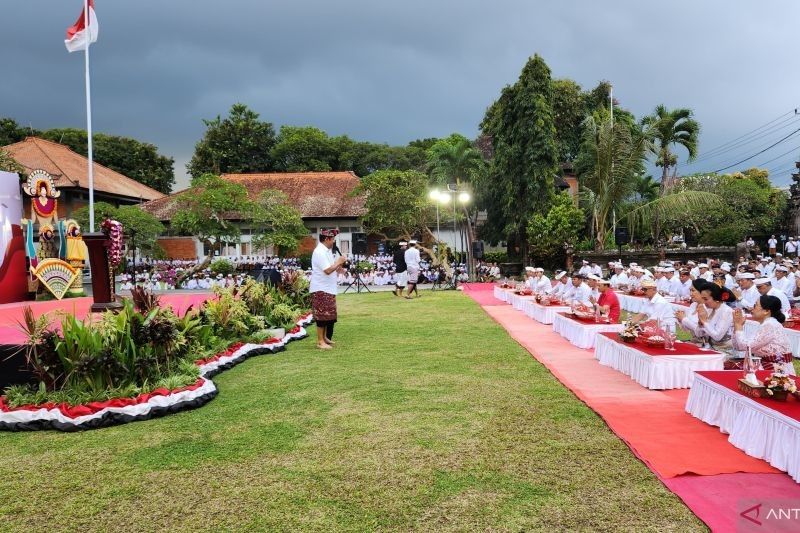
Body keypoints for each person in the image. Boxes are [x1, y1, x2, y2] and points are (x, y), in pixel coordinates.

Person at [732, 295, 793, 371]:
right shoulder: (767, 323)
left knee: (732, 369)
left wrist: (738, 325)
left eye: (755, 305)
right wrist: (736, 326)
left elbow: (745, 346)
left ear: (766, 311)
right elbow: (738, 347)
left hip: (778, 369)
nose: (752, 308)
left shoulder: (770, 324)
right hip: (767, 364)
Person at [310, 229, 347, 350]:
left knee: (327, 315)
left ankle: (325, 337)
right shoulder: (319, 252)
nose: (333, 242)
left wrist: (339, 268)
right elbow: (327, 270)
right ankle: (320, 341)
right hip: (321, 288)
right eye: (333, 239)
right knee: (321, 315)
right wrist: (339, 261)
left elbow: (331, 267)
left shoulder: (327, 251)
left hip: (328, 288)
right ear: (327, 239)